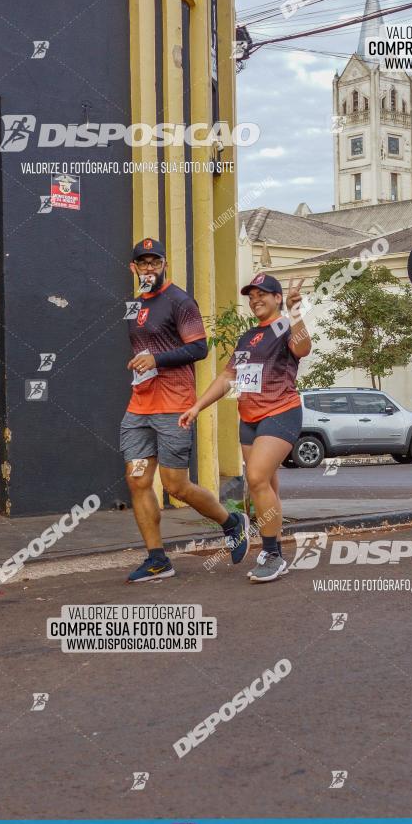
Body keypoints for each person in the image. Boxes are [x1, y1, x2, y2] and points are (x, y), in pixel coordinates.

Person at [121, 238, 249, 582]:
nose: (150, 268)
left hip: (173, 406)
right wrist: (140, 362)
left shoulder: (180, 301)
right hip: (139, 409)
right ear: (134, 268)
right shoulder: (134, 305)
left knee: (176, 486)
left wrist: (156, 359)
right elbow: (144, 345)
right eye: (143, 263)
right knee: (137, 480)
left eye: (156, 262)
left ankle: (230, 521)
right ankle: (157, 559)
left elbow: (199, 348)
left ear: (165, 265)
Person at [179, 273, 311, 583]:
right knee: (262, 486)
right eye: (251, 296)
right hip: (249, 417)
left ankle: (273, 556)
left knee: (256, 477)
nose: (255, 300)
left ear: (278, 298)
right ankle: (273, 547)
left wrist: (295, 311)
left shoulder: (285, 326)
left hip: (281, 412)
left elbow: (302, 348)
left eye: (262, 294)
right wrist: (197, 406)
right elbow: (228, 378)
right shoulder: (247, 337)